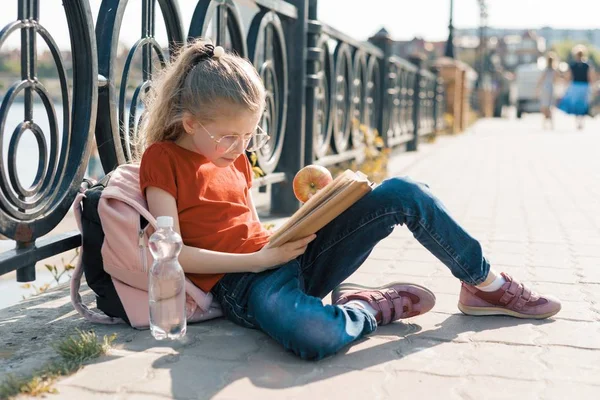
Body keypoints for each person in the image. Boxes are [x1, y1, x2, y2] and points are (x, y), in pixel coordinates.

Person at [138, 39, 561, 361]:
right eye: (229, 136)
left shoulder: (233, 158)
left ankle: (485, 283)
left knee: (403, 192)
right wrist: (258, 261)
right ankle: (369, 308)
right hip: (244, 284)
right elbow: (172, 256)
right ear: (189, 122)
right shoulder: (164, 159)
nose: (240, 146)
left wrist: (309, 218)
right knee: (314, 337)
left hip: (282, 255)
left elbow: (248, 226)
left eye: (250, 135)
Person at [558, 45, 596, 130]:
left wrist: (565, 86)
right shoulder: (587, 65)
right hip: (584, 86)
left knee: (575, 104)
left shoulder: (573, 65)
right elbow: (590, 76)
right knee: (582, 104)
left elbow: (568, 76)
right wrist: (593, 86)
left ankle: (577, 121)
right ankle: (581, 121)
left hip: (575, 85)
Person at [536, 53, 559, 129]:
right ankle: (551, 123)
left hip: (545, 87)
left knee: (544, 105)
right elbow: (555, 80)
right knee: (550, 106)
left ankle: (544, 122)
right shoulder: (554, 70)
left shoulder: (545, 70)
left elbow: (541, 80)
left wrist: (537, 89)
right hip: (551, 88)